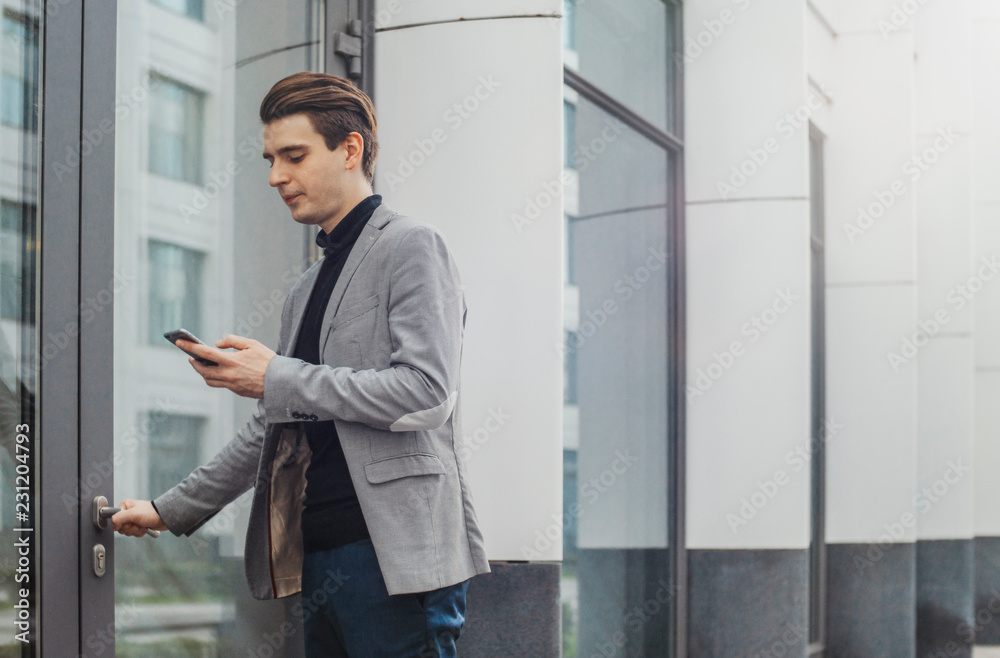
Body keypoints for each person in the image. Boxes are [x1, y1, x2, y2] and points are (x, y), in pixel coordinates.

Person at [112, 71, 490, 657]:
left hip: (397, 557)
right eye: (270, 159)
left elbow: (426, 392)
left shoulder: (412, 245)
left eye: (293, 155)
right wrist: (169, 509)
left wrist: (277, 375)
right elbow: (272, 424)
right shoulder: (306, 288)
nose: (275, 177)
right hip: (318, 556)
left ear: (350, 149)